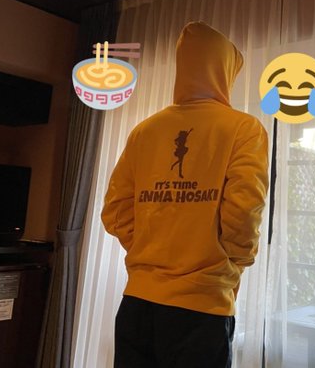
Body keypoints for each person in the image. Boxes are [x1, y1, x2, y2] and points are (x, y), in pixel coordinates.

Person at [102, 21, 269, 368]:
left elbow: (115, 211)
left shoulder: (144, 131)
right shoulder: (243, 128)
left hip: (137, 305)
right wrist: (232, 262)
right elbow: (243, 210)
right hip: (202, 309)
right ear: (224, 71)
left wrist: (150, 248)